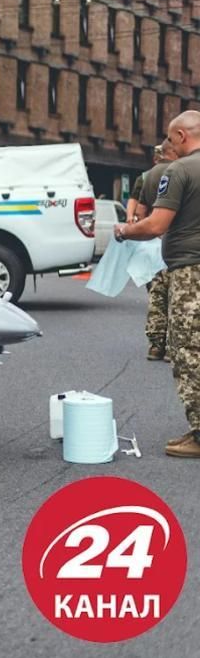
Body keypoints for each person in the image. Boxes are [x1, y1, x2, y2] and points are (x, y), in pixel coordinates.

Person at [113, 110, 200, 457]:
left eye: (170, 137)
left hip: (191, 271)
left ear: (180, 135)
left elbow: (155, 224)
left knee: (188, 351)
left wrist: (123, 230)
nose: (169, 145)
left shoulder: (178, 171)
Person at [134, 139, 178, 362]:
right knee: (177, 297)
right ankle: (172, 346)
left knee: (156, 295)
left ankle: (155, 345)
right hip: (176, 243)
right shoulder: (179, 172)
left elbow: (141, 212)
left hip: (152, 244)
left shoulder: (148, 176)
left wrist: (148, 233)